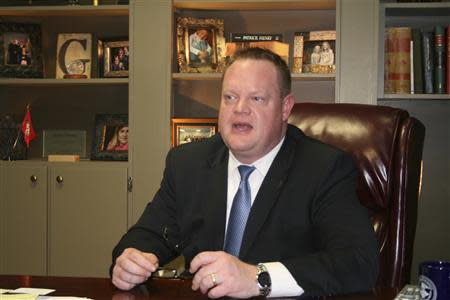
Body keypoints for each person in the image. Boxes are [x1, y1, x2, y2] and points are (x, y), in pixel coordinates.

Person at [111, 48, 378, 298]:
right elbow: (149, 234)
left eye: (257, 98)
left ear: (285, 108)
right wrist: (129, 260)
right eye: (230, 97)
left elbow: (358, 262)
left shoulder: (324, 168)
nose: (240, 109)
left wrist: (258, 277)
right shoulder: (187, 163)